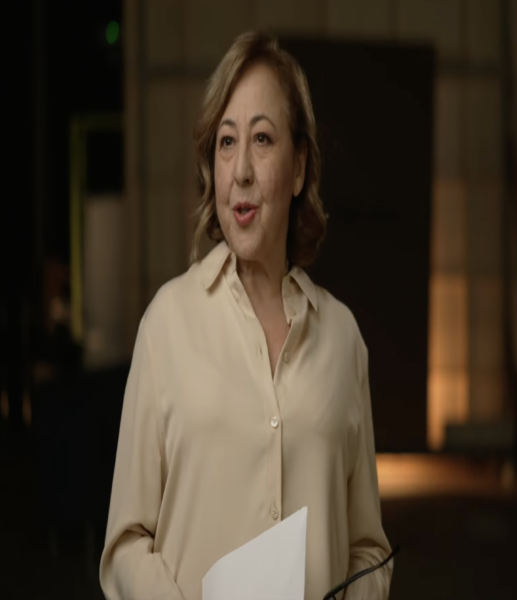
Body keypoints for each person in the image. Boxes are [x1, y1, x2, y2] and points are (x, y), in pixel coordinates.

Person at [99, 31, 392, 600]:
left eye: (262, 139)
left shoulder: (343, 340)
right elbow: (125, 544)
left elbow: (369, 549)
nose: (241, 171)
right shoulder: (166, 326)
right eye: (226, 142)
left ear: (299, 167)